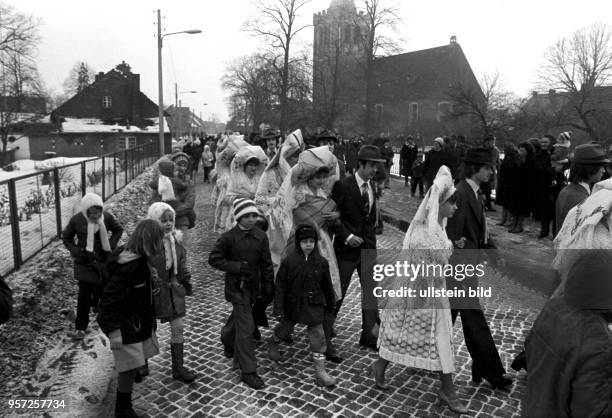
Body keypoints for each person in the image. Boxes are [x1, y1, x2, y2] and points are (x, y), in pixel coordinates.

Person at [373, 166, 467, 413]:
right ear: (440, 203)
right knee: (408, 332)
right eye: (452, 203)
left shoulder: (438, 227)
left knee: (436, 338)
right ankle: (383, 364)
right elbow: (422, 268)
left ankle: (447, 388)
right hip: (421, 294)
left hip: (435, 293)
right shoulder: (423, 233)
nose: (455, 208)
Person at [445, 147, 513, 390]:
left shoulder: (474, 192)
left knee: (444, 318)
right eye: (487, 168)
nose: (491, 172)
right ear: (475, 168)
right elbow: (453, 237)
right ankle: (491, 371)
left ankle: (422, 353)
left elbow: (479, 231)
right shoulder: (461, 194)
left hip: (467, 267)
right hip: (459, 269)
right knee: (474, 319)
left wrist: (495, 255)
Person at [274, 146, 343, 362]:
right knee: (297, 296)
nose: (321, 180)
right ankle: (280, 335)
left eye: (324, 176)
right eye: (317, 176)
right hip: (301, 243)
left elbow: (328, 217)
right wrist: (313, 223)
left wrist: (334, 217)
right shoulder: (298, 192)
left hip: (322, 245)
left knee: (323, 288)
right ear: (309, 175)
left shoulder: (323, 194)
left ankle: (323, 339)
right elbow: (292, 215)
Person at [524, 250, 612, 417]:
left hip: (535, 407)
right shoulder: (598, 344)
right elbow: (593, 412)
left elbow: (530, 349)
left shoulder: (554, 307)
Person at [97, 219, 164, 418]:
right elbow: (108, 304)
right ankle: (123, 409)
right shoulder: (129, 266)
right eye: (159, 241)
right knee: (127, 368)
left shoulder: (139, 259)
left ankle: (127, 397)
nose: (161, 245)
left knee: (133, 364)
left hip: (135, 324)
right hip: (125, 326)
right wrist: (114, 331)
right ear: (150, 241)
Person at [208, 198, 275, 390]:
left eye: (254, 215)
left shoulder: (261, 237)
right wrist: (236, 267)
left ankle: (227, 337)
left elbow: (266, 263)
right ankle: (248, 371)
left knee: (240, 320)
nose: (252, 219)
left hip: (254, 288)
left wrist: (268, 285)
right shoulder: (228, 238)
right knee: (246, 328)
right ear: (238, 217)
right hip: (237, 289)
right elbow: (214, 259)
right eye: (247, 216)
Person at [268, 224, 337, 387]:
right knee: (285, 328)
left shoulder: (321, 262)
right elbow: (280, 286)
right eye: (305, 241)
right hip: (293, 304)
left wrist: (330, 305)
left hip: (313, 304)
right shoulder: (289, 261)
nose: (308, 244)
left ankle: (320, 372)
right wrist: (278, 307)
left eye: (311, 241)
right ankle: (273, 341)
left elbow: (327, 285)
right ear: (299, 242)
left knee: (318, 336)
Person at [330, 145, 384, 351]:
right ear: (360, 164)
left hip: (368, 251)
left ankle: (369, 336)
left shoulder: (372, 187)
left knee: (371, 293)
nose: (374, 171)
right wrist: (347, 236)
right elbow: (330, 217)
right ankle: (323, 334)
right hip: (346, 251)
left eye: (376, 167)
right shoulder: (343, 186)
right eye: (371, 166)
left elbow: (369, 219)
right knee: (338, 292)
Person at [62, 192, 123, 340]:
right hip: (85, 262)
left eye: (98, 212)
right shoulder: (77, 220)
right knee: (84, 295)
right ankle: (80, 328)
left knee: (104, 291)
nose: (96, 216)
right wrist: (76, 251)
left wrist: (110, 245)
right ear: (85, 211)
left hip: (103, 262)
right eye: (92, 213)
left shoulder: (106, 218)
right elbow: (66, 237)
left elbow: (118, 230)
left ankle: (110, 323)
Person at [146, 202, 196, 383]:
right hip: (153, 292)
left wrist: (186, 278)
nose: (168, 224)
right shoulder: (148, 243)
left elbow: (181, 263)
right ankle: (141, 361)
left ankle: (178, 367)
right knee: (148, 328)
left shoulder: (176, 240)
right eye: (163, 220)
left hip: (173, 291)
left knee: (178, 327)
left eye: (171, 220)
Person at [255, 129, 305, 273]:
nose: (294, 160)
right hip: (276, 222)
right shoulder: (270, 171)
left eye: (297, 156)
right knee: (277, 258)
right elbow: (259, 199)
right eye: (291, 156)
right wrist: (278, 201)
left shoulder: (299, 174)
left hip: (296, 220)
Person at [556, 143, 609, 232]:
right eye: (601, 166)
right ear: (590, 169)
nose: (604, 170)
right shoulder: (578, 198)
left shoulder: (571, 190)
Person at [223, 146, 268, 231]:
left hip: (255, 217)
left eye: (255, 165)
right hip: (239, 215)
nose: (253, 168)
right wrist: (243, 198)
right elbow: (227, 198)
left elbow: (263, 196)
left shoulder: (259, 180)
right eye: (251, 165)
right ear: (245, 166)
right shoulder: (236, 179)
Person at [149, 160, 196, 230]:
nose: (182, 168)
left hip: (181, 219)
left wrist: (171, 212)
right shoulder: (161, 183)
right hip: (163, 221)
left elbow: (189, 204)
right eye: (179, 166)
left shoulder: (188, 182)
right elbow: (153, 201)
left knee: (181, 239)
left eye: (184, 166)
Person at [495, 143, 521, 228]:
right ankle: (504, 219)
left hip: (510, 183)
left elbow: (513, 170)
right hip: (505, 183)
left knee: (509, 204)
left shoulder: (514, 157)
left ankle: (508, 220)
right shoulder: (509, 157)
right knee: (505, 203)